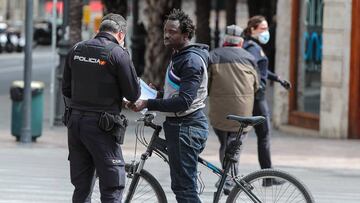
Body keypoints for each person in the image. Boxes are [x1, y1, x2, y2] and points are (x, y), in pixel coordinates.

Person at [129, 9, 209, 203]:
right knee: (182, 186)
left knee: (184, 189)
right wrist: (157, 94)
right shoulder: (179, 56)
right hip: (180, 127)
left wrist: (149, 103)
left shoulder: (190, 61)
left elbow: (184, 101)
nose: (166, 35)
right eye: (165, 30)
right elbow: (178, 95)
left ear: (185, 34)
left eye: (172, 31)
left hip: (187, 128)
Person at [62, 13, 140, 202]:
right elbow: (133, 94)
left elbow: (66, 89)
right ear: (121, 34)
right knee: (112, 185)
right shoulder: (118, 54)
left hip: (75, 124)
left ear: (99, 30)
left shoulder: (77, 49)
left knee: (82, 187)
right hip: (102, 126)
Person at [208, 25, 259, 194]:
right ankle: (231, 179)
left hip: (220, 112)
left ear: (224, 40)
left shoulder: (213, 56)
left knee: (225, 144)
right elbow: (257, 85)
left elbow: (206, 85)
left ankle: (228, 178)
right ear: (241, 42)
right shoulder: (250, 58)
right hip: (243, 110)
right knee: (235, 145)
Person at [242, 15, 291, 185]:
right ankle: (267, 177)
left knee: (255, 136)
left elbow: (261, 70)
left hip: (256, 96)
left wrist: (278, 78)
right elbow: (252, 71)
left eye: (267, 28)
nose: (266, 32)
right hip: (257, 98)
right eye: (262, 29)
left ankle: (267, 177)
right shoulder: (251, 48)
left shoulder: (253, 46)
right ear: (252, 30)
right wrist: (260, 86)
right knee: (263, 136)